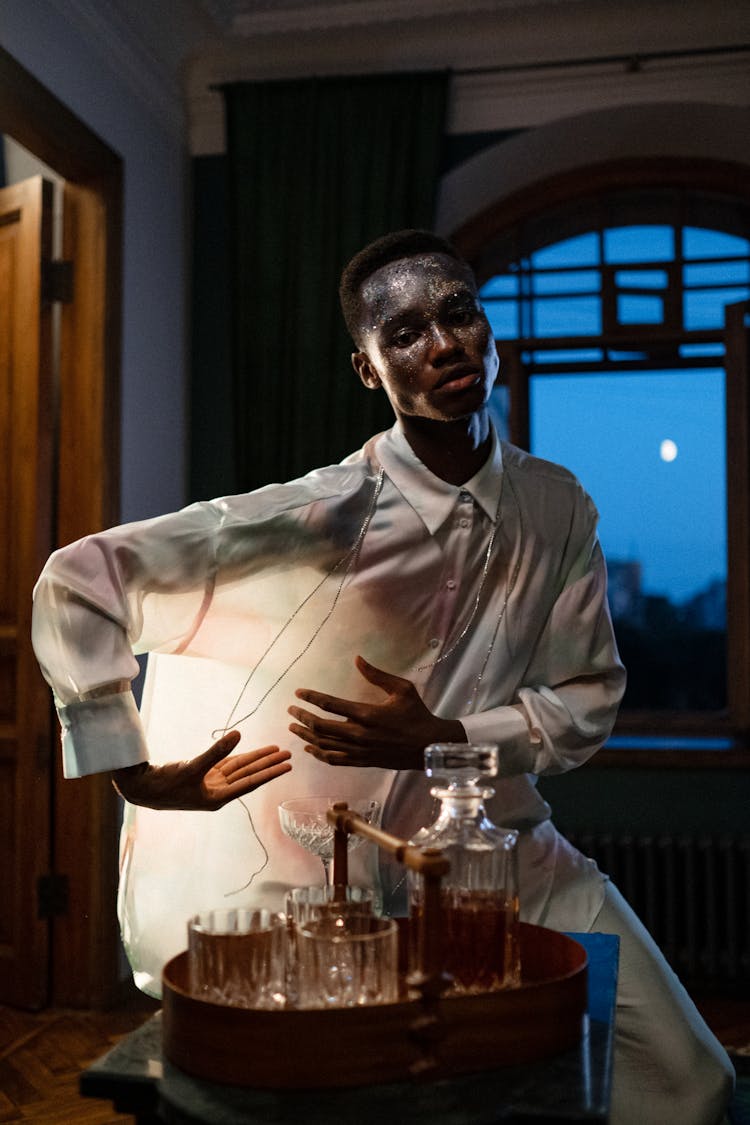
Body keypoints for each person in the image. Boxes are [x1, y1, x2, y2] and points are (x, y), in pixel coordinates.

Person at [32, 229, 733, 1123]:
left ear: (485, 327)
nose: (443, 344)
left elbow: (586, 702)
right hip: (328, 889)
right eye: (403, 333)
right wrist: (135, 775)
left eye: (457, 313)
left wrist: (443, 739)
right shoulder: (314, 516)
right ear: (367, 369)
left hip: (504, 855)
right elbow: (79, 579)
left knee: (690, 1081)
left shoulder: (558, 506)